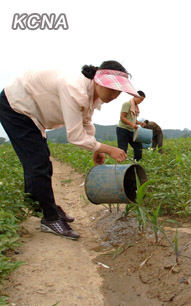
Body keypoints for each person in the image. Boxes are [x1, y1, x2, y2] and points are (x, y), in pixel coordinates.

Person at [0, 60, 138, 239]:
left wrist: (97, 149)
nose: (114, 95)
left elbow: (86, 122)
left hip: (34, 114)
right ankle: (50, 218)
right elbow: (75, 137)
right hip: (16, 106)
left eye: (118, 91)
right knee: (37, 163)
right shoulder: (74, 88)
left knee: (41, 162)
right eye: (110, 89)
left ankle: (42, 205)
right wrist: (109, 149)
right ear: (97, 80)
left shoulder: (91, 95)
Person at [117, 90, 146, 161]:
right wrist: (133, 124)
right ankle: (120, 167)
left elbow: (132, 119)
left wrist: (139, 123)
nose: (141, 101)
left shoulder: (135, 107)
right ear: (136, 96)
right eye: (141, 99)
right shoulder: (127, 104)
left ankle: (136, 163)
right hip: (122, 130)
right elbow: (122, 117)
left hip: (131, 130)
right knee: (122, 150)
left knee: (138, 147)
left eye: (142, 100)